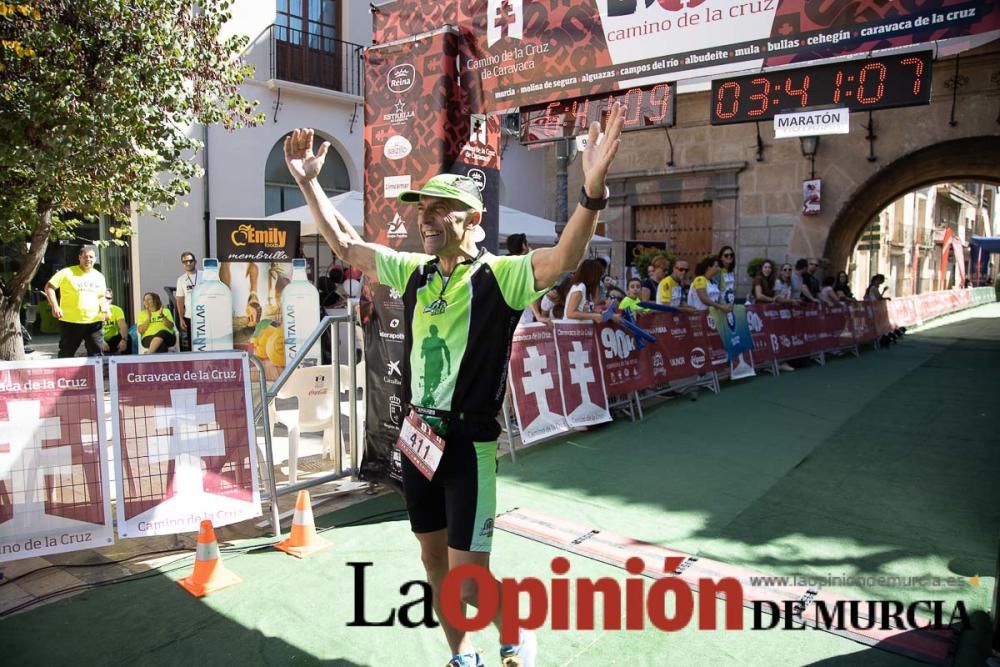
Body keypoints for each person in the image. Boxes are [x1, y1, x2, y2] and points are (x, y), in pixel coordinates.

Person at [284, 104, 625, 667]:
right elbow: (346, 246)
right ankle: (463, 657)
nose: (427, 217)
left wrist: (591, 191)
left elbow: (566, 256)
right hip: (418, 442)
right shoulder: (414, 272)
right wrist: (310, 184)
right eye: (424, 209)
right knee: (433, 563)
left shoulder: (502, 275)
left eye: (442, 209)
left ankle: (514, 629)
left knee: (470, 584)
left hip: (470, 448)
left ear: (473, 221)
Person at [44, 246, 110, 358]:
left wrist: (105, 309)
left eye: (91, 257)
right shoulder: (66, 272)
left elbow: (101, 296)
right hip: (71, 321)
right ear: (79, 257)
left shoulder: (99, 276)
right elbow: (49, 287)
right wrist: (55, 306)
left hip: (94, 322)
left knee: (97, 355)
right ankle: (63, 376)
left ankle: (98, 375)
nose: (88, 259)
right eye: (85, 256)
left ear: (95, 259)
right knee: (66, 354)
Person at [564, 258, 623, 325]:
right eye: (599, 274)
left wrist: (608, 315)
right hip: (570, 329)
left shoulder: (586, 290)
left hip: (581, 330)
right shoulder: (579, 288)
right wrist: (594, 316)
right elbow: (570, 313)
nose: (600, 277)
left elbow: (585, 310)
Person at [174, 251, 199, 351]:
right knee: (192, 343)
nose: (188, 263)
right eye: (185, 262)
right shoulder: (181, 280)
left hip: (205, 315)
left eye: (190, 261)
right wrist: (181, 318)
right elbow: (180, 299)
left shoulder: (204, 275)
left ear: (195, 261)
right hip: (189, 316)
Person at [101, 289, 129, 355]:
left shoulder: (117, 309)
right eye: (103, 298)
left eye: (108, 298)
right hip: (98, 338)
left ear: (112, 299)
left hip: (112, 338)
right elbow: (92, 329)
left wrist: (124, 340)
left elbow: (122, 325)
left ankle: (125, 363)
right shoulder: (94, 310)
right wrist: (101, 341)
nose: (106, 300)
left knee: (128, 338)